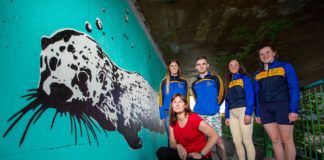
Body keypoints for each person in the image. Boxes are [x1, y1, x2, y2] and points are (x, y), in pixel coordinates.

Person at [254, 45, 300, 160]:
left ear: (274, 53)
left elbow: (294, 87)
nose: (265, 56)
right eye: (261, 54)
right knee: (275, 140)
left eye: (267, 52)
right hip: (265, 109)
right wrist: (258, 113)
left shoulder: (285, 66)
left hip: (282, 106)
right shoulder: (257, 73)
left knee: (287, 140)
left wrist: (294, 109)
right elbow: (257, 94)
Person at [156, 93, 219, 160]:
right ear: (172, 106)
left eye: (180, 101)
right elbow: (172, 142)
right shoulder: (172, 121)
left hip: (199, 154)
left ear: (185, 105)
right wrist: (178, 146)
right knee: (161, 152)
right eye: (174, 102)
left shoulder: (194, 118)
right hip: (185, 154)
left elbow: (214, 136)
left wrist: (201, 154)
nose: (177, 104)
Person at [191, 56, 226, 160]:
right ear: (196, 67)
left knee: (218, 142)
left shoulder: (216, 78)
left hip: (213, 114)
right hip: (199, 115)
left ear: (207, 65)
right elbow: (196, 98)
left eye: (203, 63)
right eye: (199, 64)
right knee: (200, 142)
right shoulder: (194, 83)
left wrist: (214, 107)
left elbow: (222, 95)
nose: (201, 66)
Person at [224, 59, 256, 160]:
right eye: (231, 65)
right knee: (237, 141)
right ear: (228, 69)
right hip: (232, 114)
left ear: (239, 67)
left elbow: (250, 96)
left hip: (243, 111)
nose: (233, 66)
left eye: (235, 65)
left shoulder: (245, 78)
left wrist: (248, 113)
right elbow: (227, 100)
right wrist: (227, 116)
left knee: (247, 141)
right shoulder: (229, 82)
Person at [159, 60, 190, 137]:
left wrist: (187, 112)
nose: (173, 67)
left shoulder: (184, 81)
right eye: (171, 66)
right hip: (167, 113)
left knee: (182, 137)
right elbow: (160, 99)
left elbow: (187, 98)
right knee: (171, 138)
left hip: (181, 112)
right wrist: (162, 114)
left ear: (178, 68)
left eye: (175, 65)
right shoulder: (164, 81)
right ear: (169, 68)